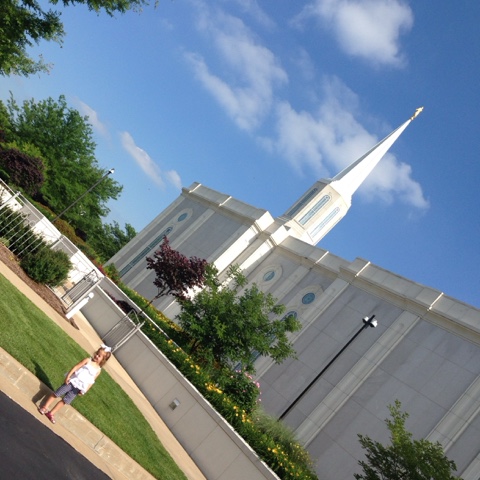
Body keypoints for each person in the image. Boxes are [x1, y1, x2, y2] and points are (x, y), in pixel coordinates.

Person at [38, 345, 112, 424]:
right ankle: (44, 407)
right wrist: (68, 376)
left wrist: (84, 391)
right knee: (57, 393)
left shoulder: (98, 370)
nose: (96, 356)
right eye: (97, 353)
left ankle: (51, 413)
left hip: (78, 388)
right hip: (72, 381)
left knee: (65, 401)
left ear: (103, 360)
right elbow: (76, 367)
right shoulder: (88, 360)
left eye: (99, 356)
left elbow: (91, 382)